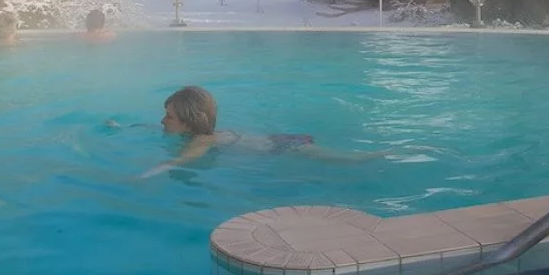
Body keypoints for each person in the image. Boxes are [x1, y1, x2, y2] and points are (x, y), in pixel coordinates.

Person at [116, 85, 387, 178]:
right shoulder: (200, 132)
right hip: (278, 141)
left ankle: (396, 153)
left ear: (189, 123)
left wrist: (143, 175)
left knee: (349, 159)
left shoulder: (201, 141)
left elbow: (182, 160)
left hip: (285, 147)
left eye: (169, 117)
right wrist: (124, 127)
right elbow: (156, 128)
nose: (162, 121)